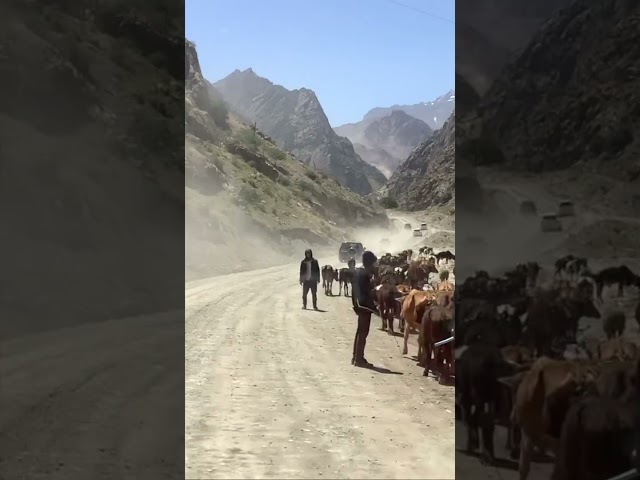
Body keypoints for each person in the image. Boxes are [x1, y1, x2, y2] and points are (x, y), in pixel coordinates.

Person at [351, 250, 379, 367]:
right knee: (363, 332)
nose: (374, 266)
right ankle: (359, 359)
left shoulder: (360, 273)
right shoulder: (363, 275)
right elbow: (365, 294)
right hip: (363, 307)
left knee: (360, 332)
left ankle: (356, 357)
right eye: (373, 263)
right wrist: (374, 308)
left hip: (361, 306)